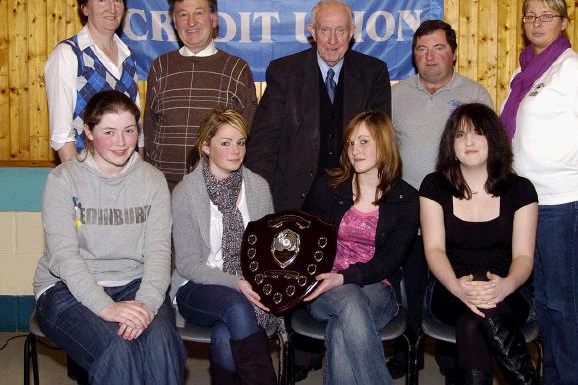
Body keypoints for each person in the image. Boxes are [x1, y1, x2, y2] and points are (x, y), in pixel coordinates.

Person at [501, 0, 578, 384]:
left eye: (546, 16)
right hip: (532, 204)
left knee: (562, 304)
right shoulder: (526, 71)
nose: (536, 23)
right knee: (545, 303)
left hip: (564, 203)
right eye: (529, 16)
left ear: (564, 22)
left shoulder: (575, 72)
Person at [33, 90, 185, 385]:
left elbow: (158, 253)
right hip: (65, 288)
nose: (121, 142)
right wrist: (106, 307)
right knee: (117, 349)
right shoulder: (63, 180)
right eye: (109, 132)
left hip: (134, 283)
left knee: (162, 345)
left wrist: (147, 305)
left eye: (129, 131)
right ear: (88, 132)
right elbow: (64, 256)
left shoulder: (152, 180)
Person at [388, 20, 493, 379]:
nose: (429, 57)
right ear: (413, 55)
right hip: (408, 214)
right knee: (410, 288)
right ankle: (407, 354)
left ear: (454, 52)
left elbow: (491, 156)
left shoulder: (476, 95)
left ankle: (453, 361)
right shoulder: (397, 95)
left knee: (453, 289)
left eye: (438, 48)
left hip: (460, 216)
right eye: (421, 49)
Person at [421, 103, 539, 384]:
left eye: (477, 133)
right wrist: (457, 288)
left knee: (473, 322)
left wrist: (506, 285)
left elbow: (524, 257)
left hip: (509, 291)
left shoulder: (521, 190)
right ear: (451, 144)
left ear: (493, 139)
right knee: (476, 304)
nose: (469, 142)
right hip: (448, 289)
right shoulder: (433, 186)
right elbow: (434, 250)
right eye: (460, 135)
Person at [303, 111, 418, 385]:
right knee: (349, 299)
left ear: (384, 144)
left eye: (364, 141)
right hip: (323, 288)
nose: (355, 150)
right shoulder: (328, 187)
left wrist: (344, 277)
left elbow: (391, 259)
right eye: (351, 143)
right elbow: (303, 237)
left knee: (342, 330)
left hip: (378, 288)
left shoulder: (406, 199)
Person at [245, 0, 391, 213]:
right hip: (295, 200)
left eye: (340, 30)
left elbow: (382, 144)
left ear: (352, 32)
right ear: (312, 32)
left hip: (357, 199)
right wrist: (262, 202)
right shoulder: (284, 72)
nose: (333, 40)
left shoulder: (373, 73)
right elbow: (263, 145)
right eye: (325, 30)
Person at [170, 107, 280, 385]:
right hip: (196, 286)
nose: (235, 151)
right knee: (237, 308)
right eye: (225, 143)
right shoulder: (186, 192)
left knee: (224, 335)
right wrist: (237, 283)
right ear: (206, 146)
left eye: (240, 142)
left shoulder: (258, 187)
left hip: (249, 285)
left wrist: (251, 283)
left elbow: (267, 253)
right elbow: (187, 264)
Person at [144, 0, 257, 190]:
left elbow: (248, 134)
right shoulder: (160, 66)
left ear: (214, 19)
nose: (191, 22)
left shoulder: (236, 69)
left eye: (198, 13)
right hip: (163, 189)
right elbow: (150, 131)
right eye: (183, 14)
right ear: (175, 23)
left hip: (219, 190)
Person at [45, 0, 142, 163]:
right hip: (86, 174)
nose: (112, 8)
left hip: (124, 177)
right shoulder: (68, 54)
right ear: (85, 8)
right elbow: (62, 136)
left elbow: (136, 127)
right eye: (101, 0)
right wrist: (79, 185)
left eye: (117, 0)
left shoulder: (128, 56)